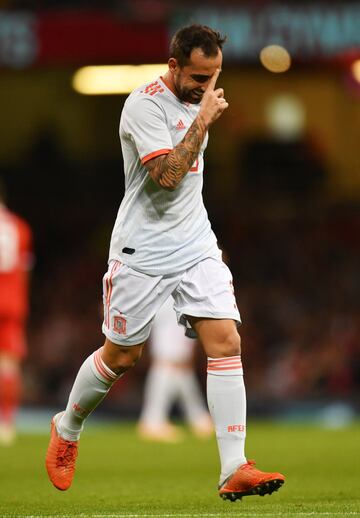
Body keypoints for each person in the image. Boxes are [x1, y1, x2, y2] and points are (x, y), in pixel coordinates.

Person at [45, 24, 285, 501]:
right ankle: (67, 426)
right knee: (122, 356)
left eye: (214, 76)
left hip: (195, 242)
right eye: (198, 77)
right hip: (142, 250)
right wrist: (203, 122)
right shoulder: (144, 106)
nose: (206, 87)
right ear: (174, 66)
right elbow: (169, 176)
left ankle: (233, 465)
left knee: (226, 339)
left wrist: (202, 113)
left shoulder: (199, 99)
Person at [137, 294, 213, 442]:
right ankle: (153, 421)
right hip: (166, 356)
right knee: (167, 368)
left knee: (181, 374)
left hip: (176, 354)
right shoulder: (164, 296)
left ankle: (198, 419)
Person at [0, 181, 33, 445]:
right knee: (8, 364)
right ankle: (6, 423)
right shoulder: (20, 227)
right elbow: (25, 271)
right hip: (12, 302)